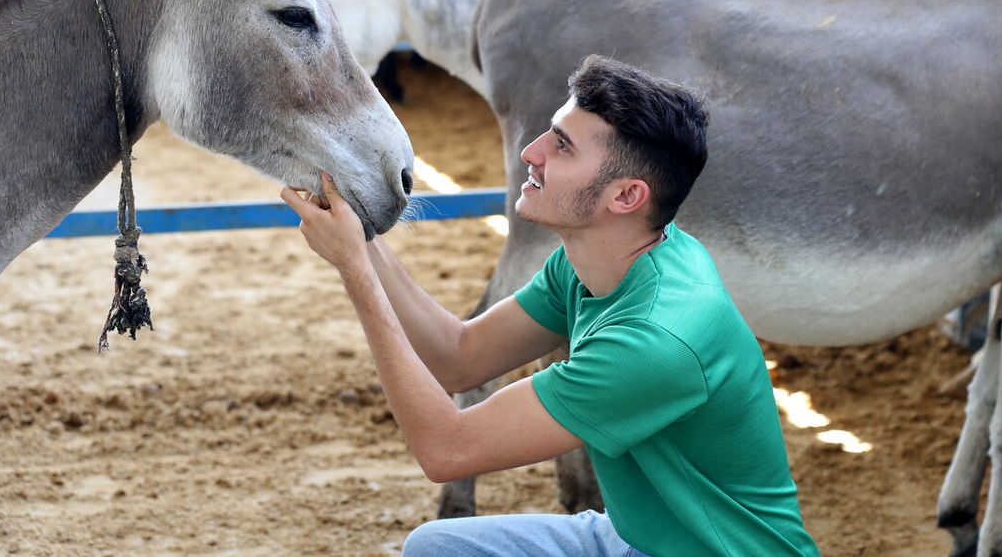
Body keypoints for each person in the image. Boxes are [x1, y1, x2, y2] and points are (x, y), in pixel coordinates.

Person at [281, 55, 819, 557]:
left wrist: (354, 271)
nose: (531, 152)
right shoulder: (605, 256)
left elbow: (446, 451)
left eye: (562, 147)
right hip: (633, 534)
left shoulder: (655, 342)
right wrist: (365, 239)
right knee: (436, 548)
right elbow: (460, 356)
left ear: (626, 197)